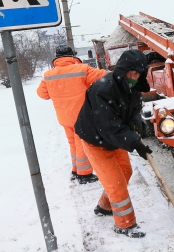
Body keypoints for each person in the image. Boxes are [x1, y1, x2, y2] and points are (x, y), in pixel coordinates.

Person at [74, 49, 153, 238]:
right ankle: (125, 224)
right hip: (95, 139)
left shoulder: (133, 86)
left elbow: (134, 107)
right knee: (116, 181)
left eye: (138, 74)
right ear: (122, 70)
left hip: (113, 137)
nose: (134, 77)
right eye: (131, 73)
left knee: (126, 171)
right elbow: (109, 127)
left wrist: (136, 120)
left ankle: (104, 206)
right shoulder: (103, 89)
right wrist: (136, 143)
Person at [37, 45, 106, 184]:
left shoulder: (49, 75)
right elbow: (103, 77)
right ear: (72, 56)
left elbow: (42, 94)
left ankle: (75, 170)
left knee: (73, 143)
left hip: (64, 117)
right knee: (82, 143)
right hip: (81, 116)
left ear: (56, 58)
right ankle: (84, 174)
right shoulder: (81, 69)